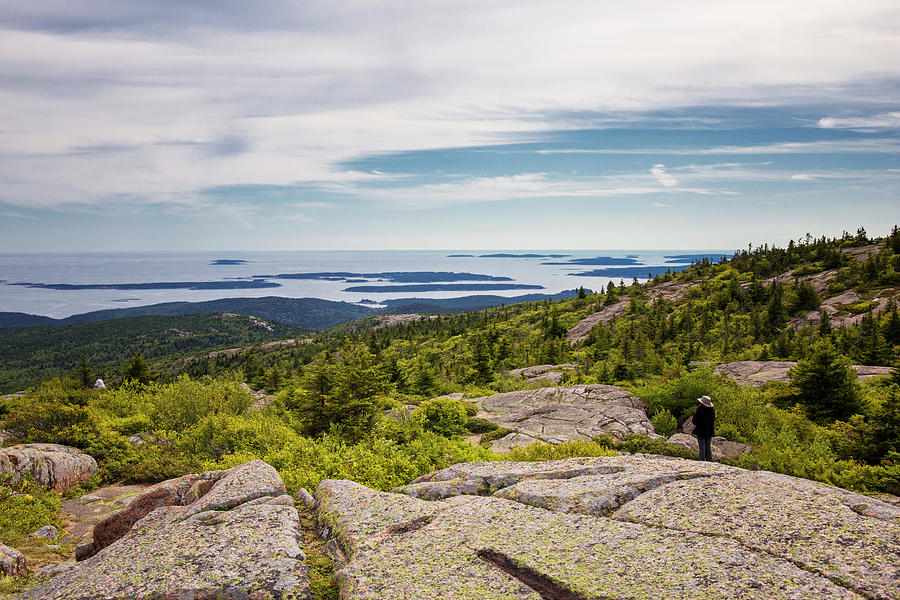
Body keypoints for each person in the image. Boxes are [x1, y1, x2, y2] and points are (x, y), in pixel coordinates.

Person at [693, 395, 715, 461]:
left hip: (701, 430)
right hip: (709, 430)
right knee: (708, 445)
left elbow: (695, 421)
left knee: (702, 445)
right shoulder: (712, 411)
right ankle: (709, 459)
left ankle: (701, 459)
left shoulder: (699, 409)